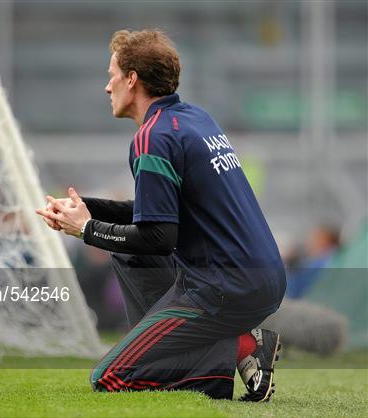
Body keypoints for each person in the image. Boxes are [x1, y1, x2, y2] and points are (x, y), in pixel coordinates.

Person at [36, 29, 286, 402]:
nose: (108, 87)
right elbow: (159, 216)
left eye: (112, 76)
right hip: (261, 278)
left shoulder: (153, 137)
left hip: (223, 289)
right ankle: (202, 349)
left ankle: (238, 348)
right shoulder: (194, 119)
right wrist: (88, 207)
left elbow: (159, 237)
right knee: (126, 249)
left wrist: (86, 229)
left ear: (132, 79)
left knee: (109, 377)